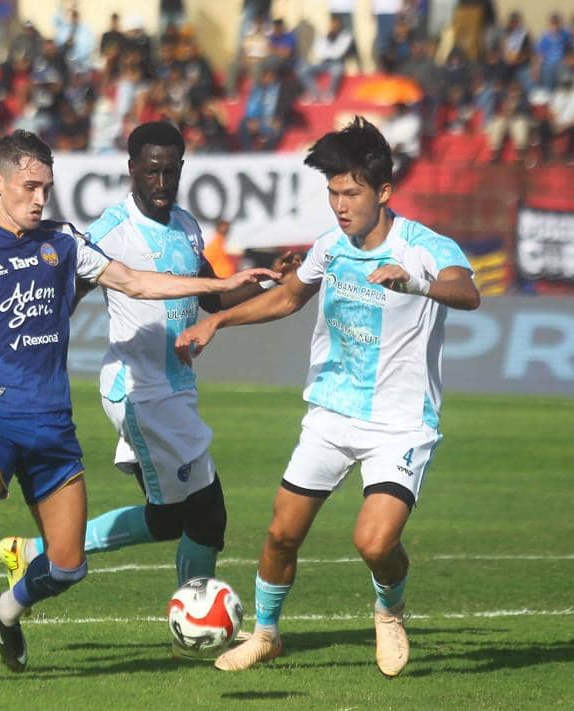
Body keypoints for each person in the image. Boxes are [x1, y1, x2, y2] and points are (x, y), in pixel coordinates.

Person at [0, 129, 277, 686]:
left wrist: (223, 282)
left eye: (46, 188)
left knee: (69, 565)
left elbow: (137, 283)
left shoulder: (64, 242)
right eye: (29, 187)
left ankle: (7, 609)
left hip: (53, 429)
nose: (39, 198)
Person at [174, 117, 481, 676]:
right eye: (333, 193)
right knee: (281, 533)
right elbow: (289, 298)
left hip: (400, 425)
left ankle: (389, 611)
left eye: (352, 193)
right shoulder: (330, 247)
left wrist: (417, 283)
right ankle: (266, 634)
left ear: (383, 192)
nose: (340, 205)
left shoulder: (424, 247)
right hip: (331, 414)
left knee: (373, 541)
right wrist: (219, 325)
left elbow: (468, 291)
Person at [0, 122, 288, 604]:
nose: (161, 183)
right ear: (132, 170)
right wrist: (31, 355)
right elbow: (64, 291)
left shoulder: (188, 226)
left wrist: (269, 279)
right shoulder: (112, 230)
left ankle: (34, 551)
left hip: (174, 390)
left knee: (169, 518)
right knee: (209, 514)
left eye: (170, 172)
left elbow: (212, 298)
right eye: (151, 172)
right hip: (140, 392)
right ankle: (194, 615)